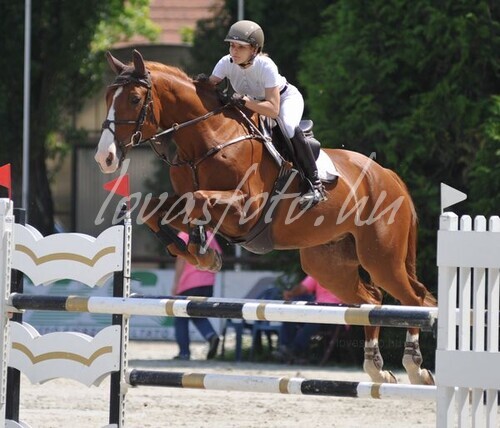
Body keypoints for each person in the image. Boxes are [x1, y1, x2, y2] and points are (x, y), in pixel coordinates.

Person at [207, 19, 327, 208]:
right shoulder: (225, 62)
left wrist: (245, 101)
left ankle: (315, 184)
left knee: (288, 127)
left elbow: (272, 109)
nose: (234, 51)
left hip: (283, 100)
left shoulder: (265, 65)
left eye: (241, 47)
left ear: (254, 49)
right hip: (252, 104)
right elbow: (208, 87)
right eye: (232, 46)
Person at [171, 231, 222, 360]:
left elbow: (181, 261)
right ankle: (211, 336)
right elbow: (218, 257)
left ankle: (184, 353)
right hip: (208, 283)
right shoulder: (209, 234)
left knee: (180, 317)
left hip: (189, 282)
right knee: (197, 313)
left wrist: (176, 283)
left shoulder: (184, 234)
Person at [273, 275, 343, 363]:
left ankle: (293, 350)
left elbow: (302, 288)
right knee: (293, 310)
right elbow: (303, 288)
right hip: (317, 311)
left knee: (314, 318)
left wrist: (290, 293)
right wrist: (291, 294)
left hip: (337, 317)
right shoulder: (319, 272)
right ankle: (285, 347)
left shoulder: (344, 274)